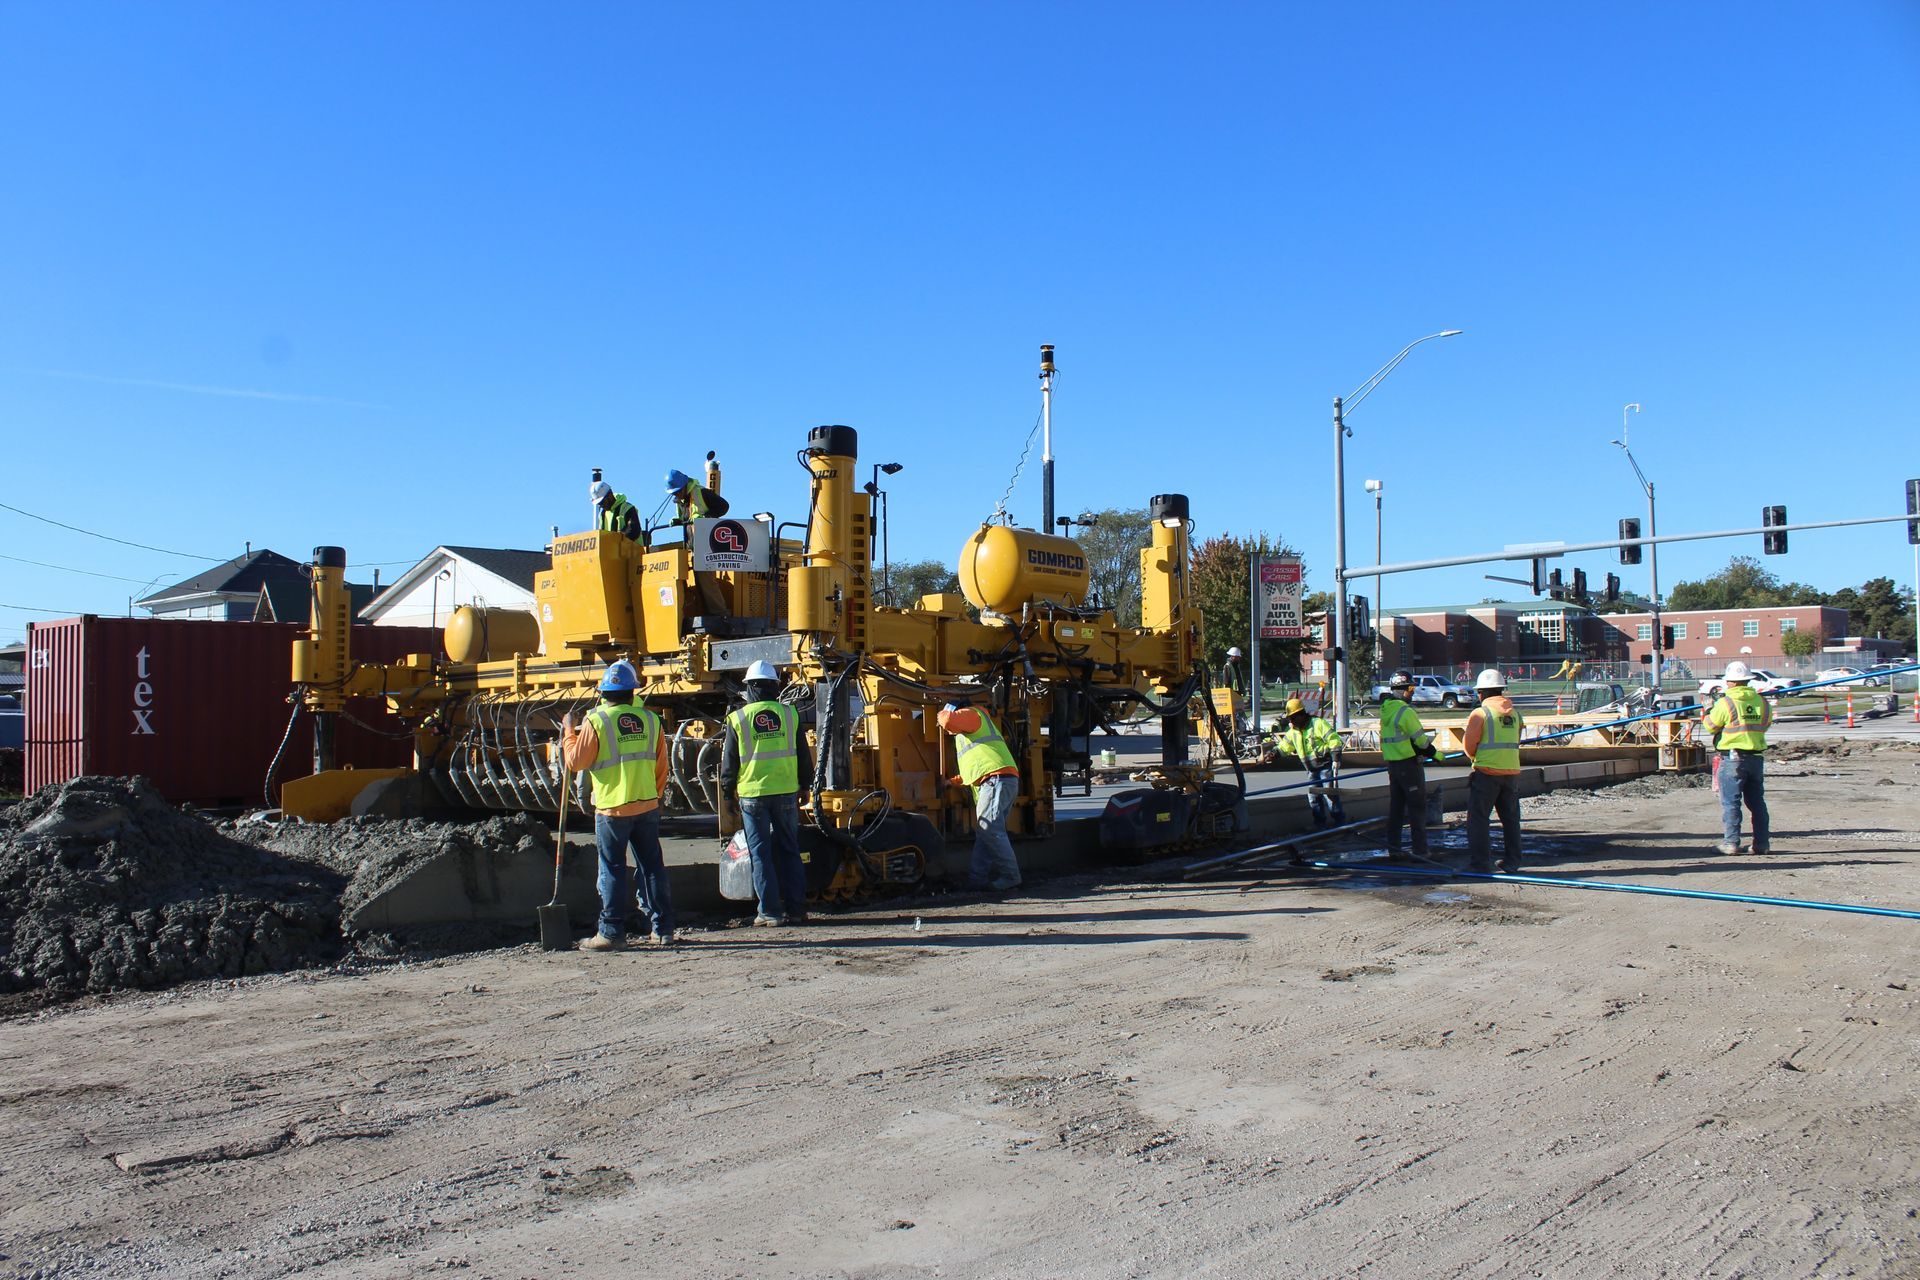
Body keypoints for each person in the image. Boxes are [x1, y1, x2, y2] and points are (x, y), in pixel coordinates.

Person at [561, 659, 676, 950]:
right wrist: (655, 796)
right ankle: (662, 930)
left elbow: (576, 762)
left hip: (612, 809)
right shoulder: (651, 720)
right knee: (652, 867)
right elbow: (662, 766)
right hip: (647, 805)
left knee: (611, 868)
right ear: (632, 691)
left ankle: (611, 932)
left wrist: (568, 733)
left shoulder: (596, 721)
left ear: (603, 692)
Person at [720, 660, 815, 927]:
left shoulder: (738, 719)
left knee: (760, 854)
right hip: (786, 792)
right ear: (775, 687)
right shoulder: (790, 714)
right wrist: (805, 785)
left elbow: (730, 763)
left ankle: (770, 912)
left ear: (750, 688)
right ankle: (797, 910)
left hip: (752, 796)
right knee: (790, 850)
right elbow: (803, 755)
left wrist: (728, 795)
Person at [937, 701, 1022, 893]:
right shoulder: (972, 730)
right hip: (1000, 780)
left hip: (995, 780)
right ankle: (977, 880)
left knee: (990, 830)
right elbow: (976, 767)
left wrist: (941, 712)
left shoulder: (973, 714)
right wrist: (953, 781)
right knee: (986, 833)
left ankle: (1011, 876)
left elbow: (948, 719)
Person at [1706, 660, 1772, 856]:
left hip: (1733, 757)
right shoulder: (1761, 701)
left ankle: (1731, 843)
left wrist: (1708, 710)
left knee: (1731, 803)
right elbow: (1765, 724)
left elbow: (1710, 725)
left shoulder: (1725, 703)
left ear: (1732, 682)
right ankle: (1761, 844)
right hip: (1756, 757)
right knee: (1757, 803)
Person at [1462, 669, 1525, 874]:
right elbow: (1516, 741)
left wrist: (1476, 758)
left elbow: (1469, 746)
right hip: (1511, 773)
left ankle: (1481, 863)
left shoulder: (1480, 714)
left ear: (1482, 693)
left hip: (1487, 774)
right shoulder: (1515, 714)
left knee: (1478, 819)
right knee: (1511, 819)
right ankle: (1512, 861)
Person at [1379, 670, 1437, 858]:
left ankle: (1394, 850)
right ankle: (1420, 851)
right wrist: (1434, 753)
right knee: (1417, 809)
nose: (1413, 692)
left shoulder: (1386, 710)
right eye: (1411, 688)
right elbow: (1420, 740)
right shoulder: (1405, 711)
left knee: (1396, 809)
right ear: (1402, 689)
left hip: (1393, 767)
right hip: (1409, 766)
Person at [666, 467, 732, 618]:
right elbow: (687, 518)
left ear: (683, 487)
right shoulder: (682, 500)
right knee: (697, 580)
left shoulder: (700, 493)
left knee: (707, 580)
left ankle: (720, 613)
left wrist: (706, 517)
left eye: (676, 491)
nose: (675, 495)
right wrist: (679, 520)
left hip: (707, 543)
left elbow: (723, 506)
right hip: (693, 545)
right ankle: (707, 612)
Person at [1270, 697, 1345, 826]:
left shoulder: (1318, 724)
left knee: (1329, 795)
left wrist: (1336, 758)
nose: (1291, 721)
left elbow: (1334, 740)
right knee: (1314, 797)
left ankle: (1339, 822)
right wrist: (1274, 754)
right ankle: (1319, 823)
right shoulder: (1293, 732)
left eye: (1293, 718)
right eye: (1290, 719)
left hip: (1325, 767)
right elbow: (1284, 747)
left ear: (1301, 715)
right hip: (1311, 770)